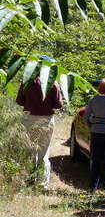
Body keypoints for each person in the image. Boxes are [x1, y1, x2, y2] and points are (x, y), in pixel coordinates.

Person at [15, 60, 64, 189]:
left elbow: (19, 101)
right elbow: (58, 104)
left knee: (29, 150)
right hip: (46, 119)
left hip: (28, 118)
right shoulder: (53, 83)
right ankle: (41, 183)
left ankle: (29, 179)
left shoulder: (27, 81)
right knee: (43, 151)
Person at [83, 78, 105, 193]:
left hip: (96, 132)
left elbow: (85, 118)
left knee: (95, 160)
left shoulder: (93, 100)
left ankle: (93, 187)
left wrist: (91, 127)